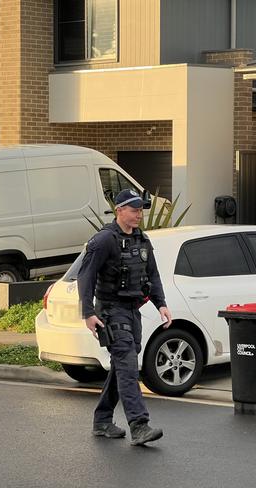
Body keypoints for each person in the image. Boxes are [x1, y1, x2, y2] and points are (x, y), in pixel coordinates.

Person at [78, 189, 172, 446]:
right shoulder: (104, 240)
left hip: (133, 311)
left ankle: (102, 421)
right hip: (111, 310)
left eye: (141, 209)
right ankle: (139, 426)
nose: (139, 214)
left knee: (122, 368)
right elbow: (85, 277)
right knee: (129, 367)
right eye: (134, 210)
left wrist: (161, 304)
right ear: (119, 210)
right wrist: (88, 312)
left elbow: (152, 275)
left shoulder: (142, 240)